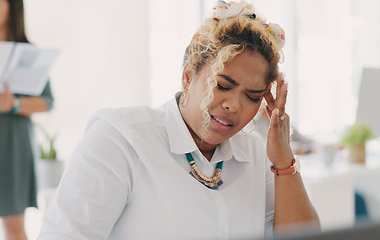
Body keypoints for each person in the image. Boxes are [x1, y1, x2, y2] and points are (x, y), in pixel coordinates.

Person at [38, 1, 319, 239]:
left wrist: (283, 161)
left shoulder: (254, 154)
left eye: (252, 96)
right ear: (188, 76)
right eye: (222, 85)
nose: (234, 105)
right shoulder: (119, 141)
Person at [0, 0, 54, 239]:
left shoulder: (29, 54)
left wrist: (13, 103)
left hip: (12, 147)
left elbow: (47, 102)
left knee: (14, 227)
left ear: (12, 9)